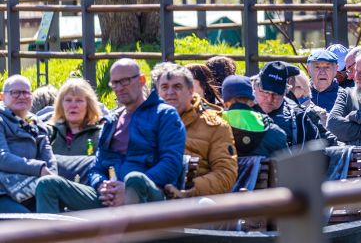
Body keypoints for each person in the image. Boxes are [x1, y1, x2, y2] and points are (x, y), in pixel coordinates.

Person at [35, 58, 186, 213]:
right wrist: (102, 185)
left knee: (135, 178)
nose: (119, 87)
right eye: (114, 83)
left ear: (141, 80)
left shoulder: (164, 114)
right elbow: (96, 167)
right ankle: (49, 237)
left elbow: (171, 164)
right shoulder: (111, 121)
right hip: (110, 196)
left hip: (149, 197)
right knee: (48, 184)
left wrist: (127, 189)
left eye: (125, 81)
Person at [155, 64, 238, 198]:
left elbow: (225, 173)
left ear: (190, 90)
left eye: (177, 87)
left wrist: (190, 189)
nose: (170, 92)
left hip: (195, 201)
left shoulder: (215, 126)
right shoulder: (146, 121)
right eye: (164, 87)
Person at [0, 75, 57, 213]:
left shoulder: (36, 123)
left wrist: (53, 178)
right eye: (15, 92)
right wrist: (39, 168)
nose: (22, 96)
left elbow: (48, 156)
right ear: (2, 97)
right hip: (3, 191)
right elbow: (2, 158)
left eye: (26, 92)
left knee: (57, 217)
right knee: (30, 222)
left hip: (31, 188)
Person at [252, 61, 338, 148]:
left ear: (285, 92)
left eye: (276, 94)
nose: (270, 98)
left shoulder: (298, 116)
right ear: (255, 86)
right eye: (265, 92)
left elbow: (322, 147)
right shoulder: (242, 105)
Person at [221, 75, 287, 158]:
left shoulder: (213, 128)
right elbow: (286, 167)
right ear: (252, 102)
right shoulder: (274, 131)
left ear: (225, 104)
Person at [48, 78, 103, 156]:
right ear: (61, 104)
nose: (73, 105)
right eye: (68, 100)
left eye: (79, 100)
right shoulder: (50, 133)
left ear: (89, 105)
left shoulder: (100, 135)